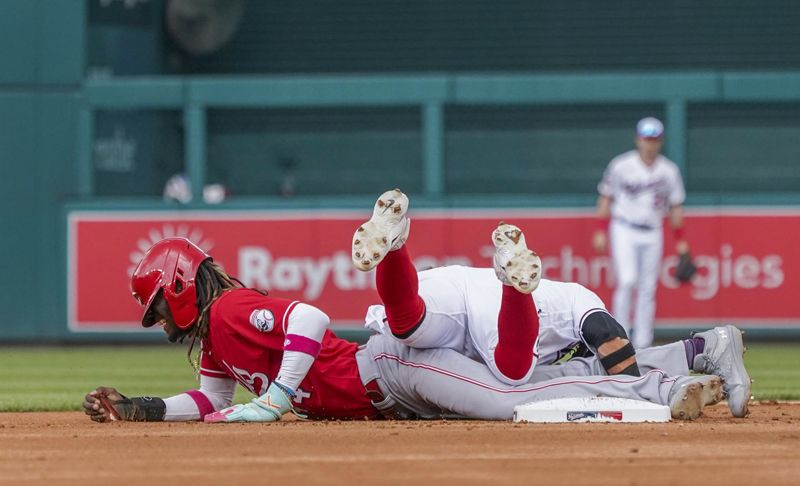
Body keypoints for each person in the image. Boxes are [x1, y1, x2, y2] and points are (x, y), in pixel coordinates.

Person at [82, 237, 725, 424]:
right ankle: (681, 360)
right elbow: (212, 403)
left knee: (511, 400)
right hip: (395, 395)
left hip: (389, 370)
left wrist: (276, 399)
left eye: (158, 309)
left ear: (175, 290)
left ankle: (659, 393)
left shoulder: (225, 312)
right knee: (531, 381)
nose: (158, 322)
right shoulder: (217, 339)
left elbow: (306, 318)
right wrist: (139, 409)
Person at [352, 189, 750, 418]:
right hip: (495, 306)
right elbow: (609, 340)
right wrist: (635, 393)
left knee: (407, 324)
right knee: (515, 376)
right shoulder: (578, 298)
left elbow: (597, 362)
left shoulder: (570, 301)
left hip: (449, 284)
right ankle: (513, 284)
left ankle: (396, 245)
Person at [592, 117, 689, 350]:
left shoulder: (669, 170)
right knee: (627, 281)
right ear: (638, 139)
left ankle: (644, 342)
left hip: (653, 231)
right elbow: (606, 197)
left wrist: (682, 241)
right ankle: (619, 337)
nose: (650, 144)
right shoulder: (621, 165)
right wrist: (599, 230)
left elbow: (675, 207)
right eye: (646, 138)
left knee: (648, 288)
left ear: (661, 141)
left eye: (654, 139)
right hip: (624, 227)